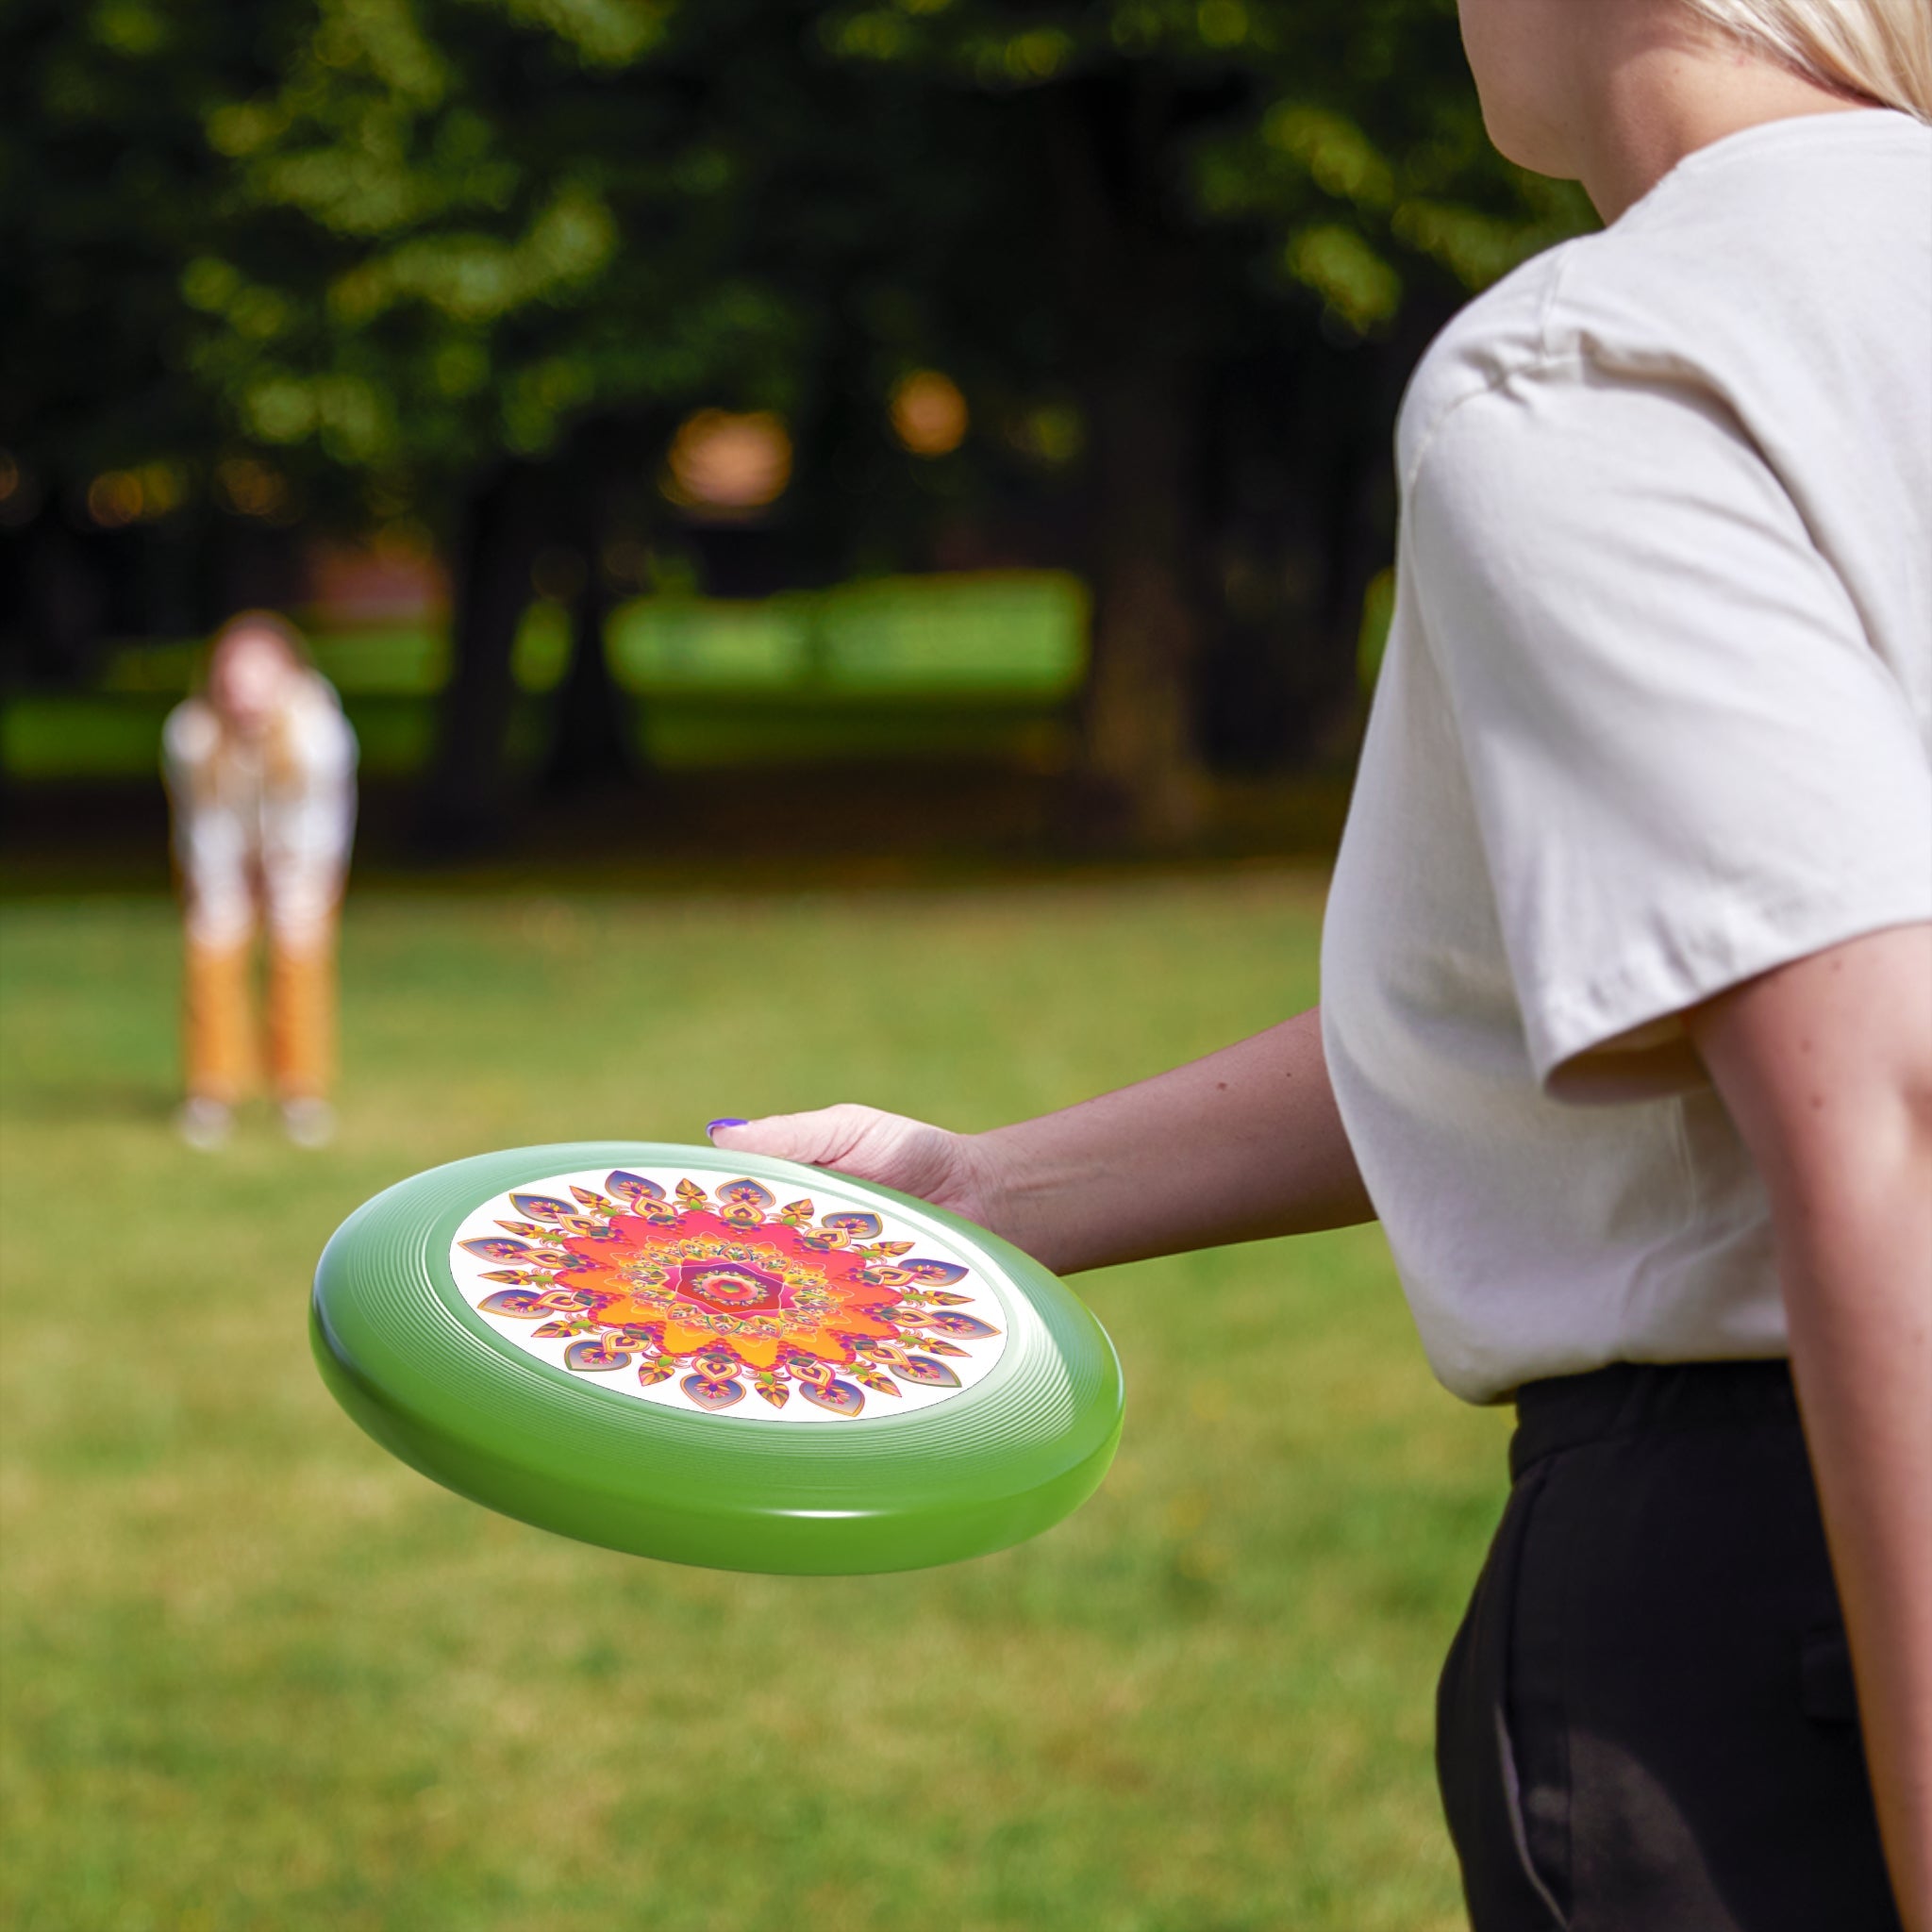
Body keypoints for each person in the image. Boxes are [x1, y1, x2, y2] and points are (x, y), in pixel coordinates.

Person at [706, 2, 1932, 1925]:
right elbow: (1630, 989)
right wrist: (985, 1190)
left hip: (1795, 1591)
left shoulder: (1608, 361)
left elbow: (1884, 1099)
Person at [162, 611, 358, 1150]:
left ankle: (301, 1092)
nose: (244, 690)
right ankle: (212, 1091)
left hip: (302, 858)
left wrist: (288, 882)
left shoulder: (319, 733)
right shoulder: (191, 735)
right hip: (221, 857)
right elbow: (204, 823)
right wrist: (224, 888)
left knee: (299, 959)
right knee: (212, 952)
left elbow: (317, 824)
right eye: (234, 675)